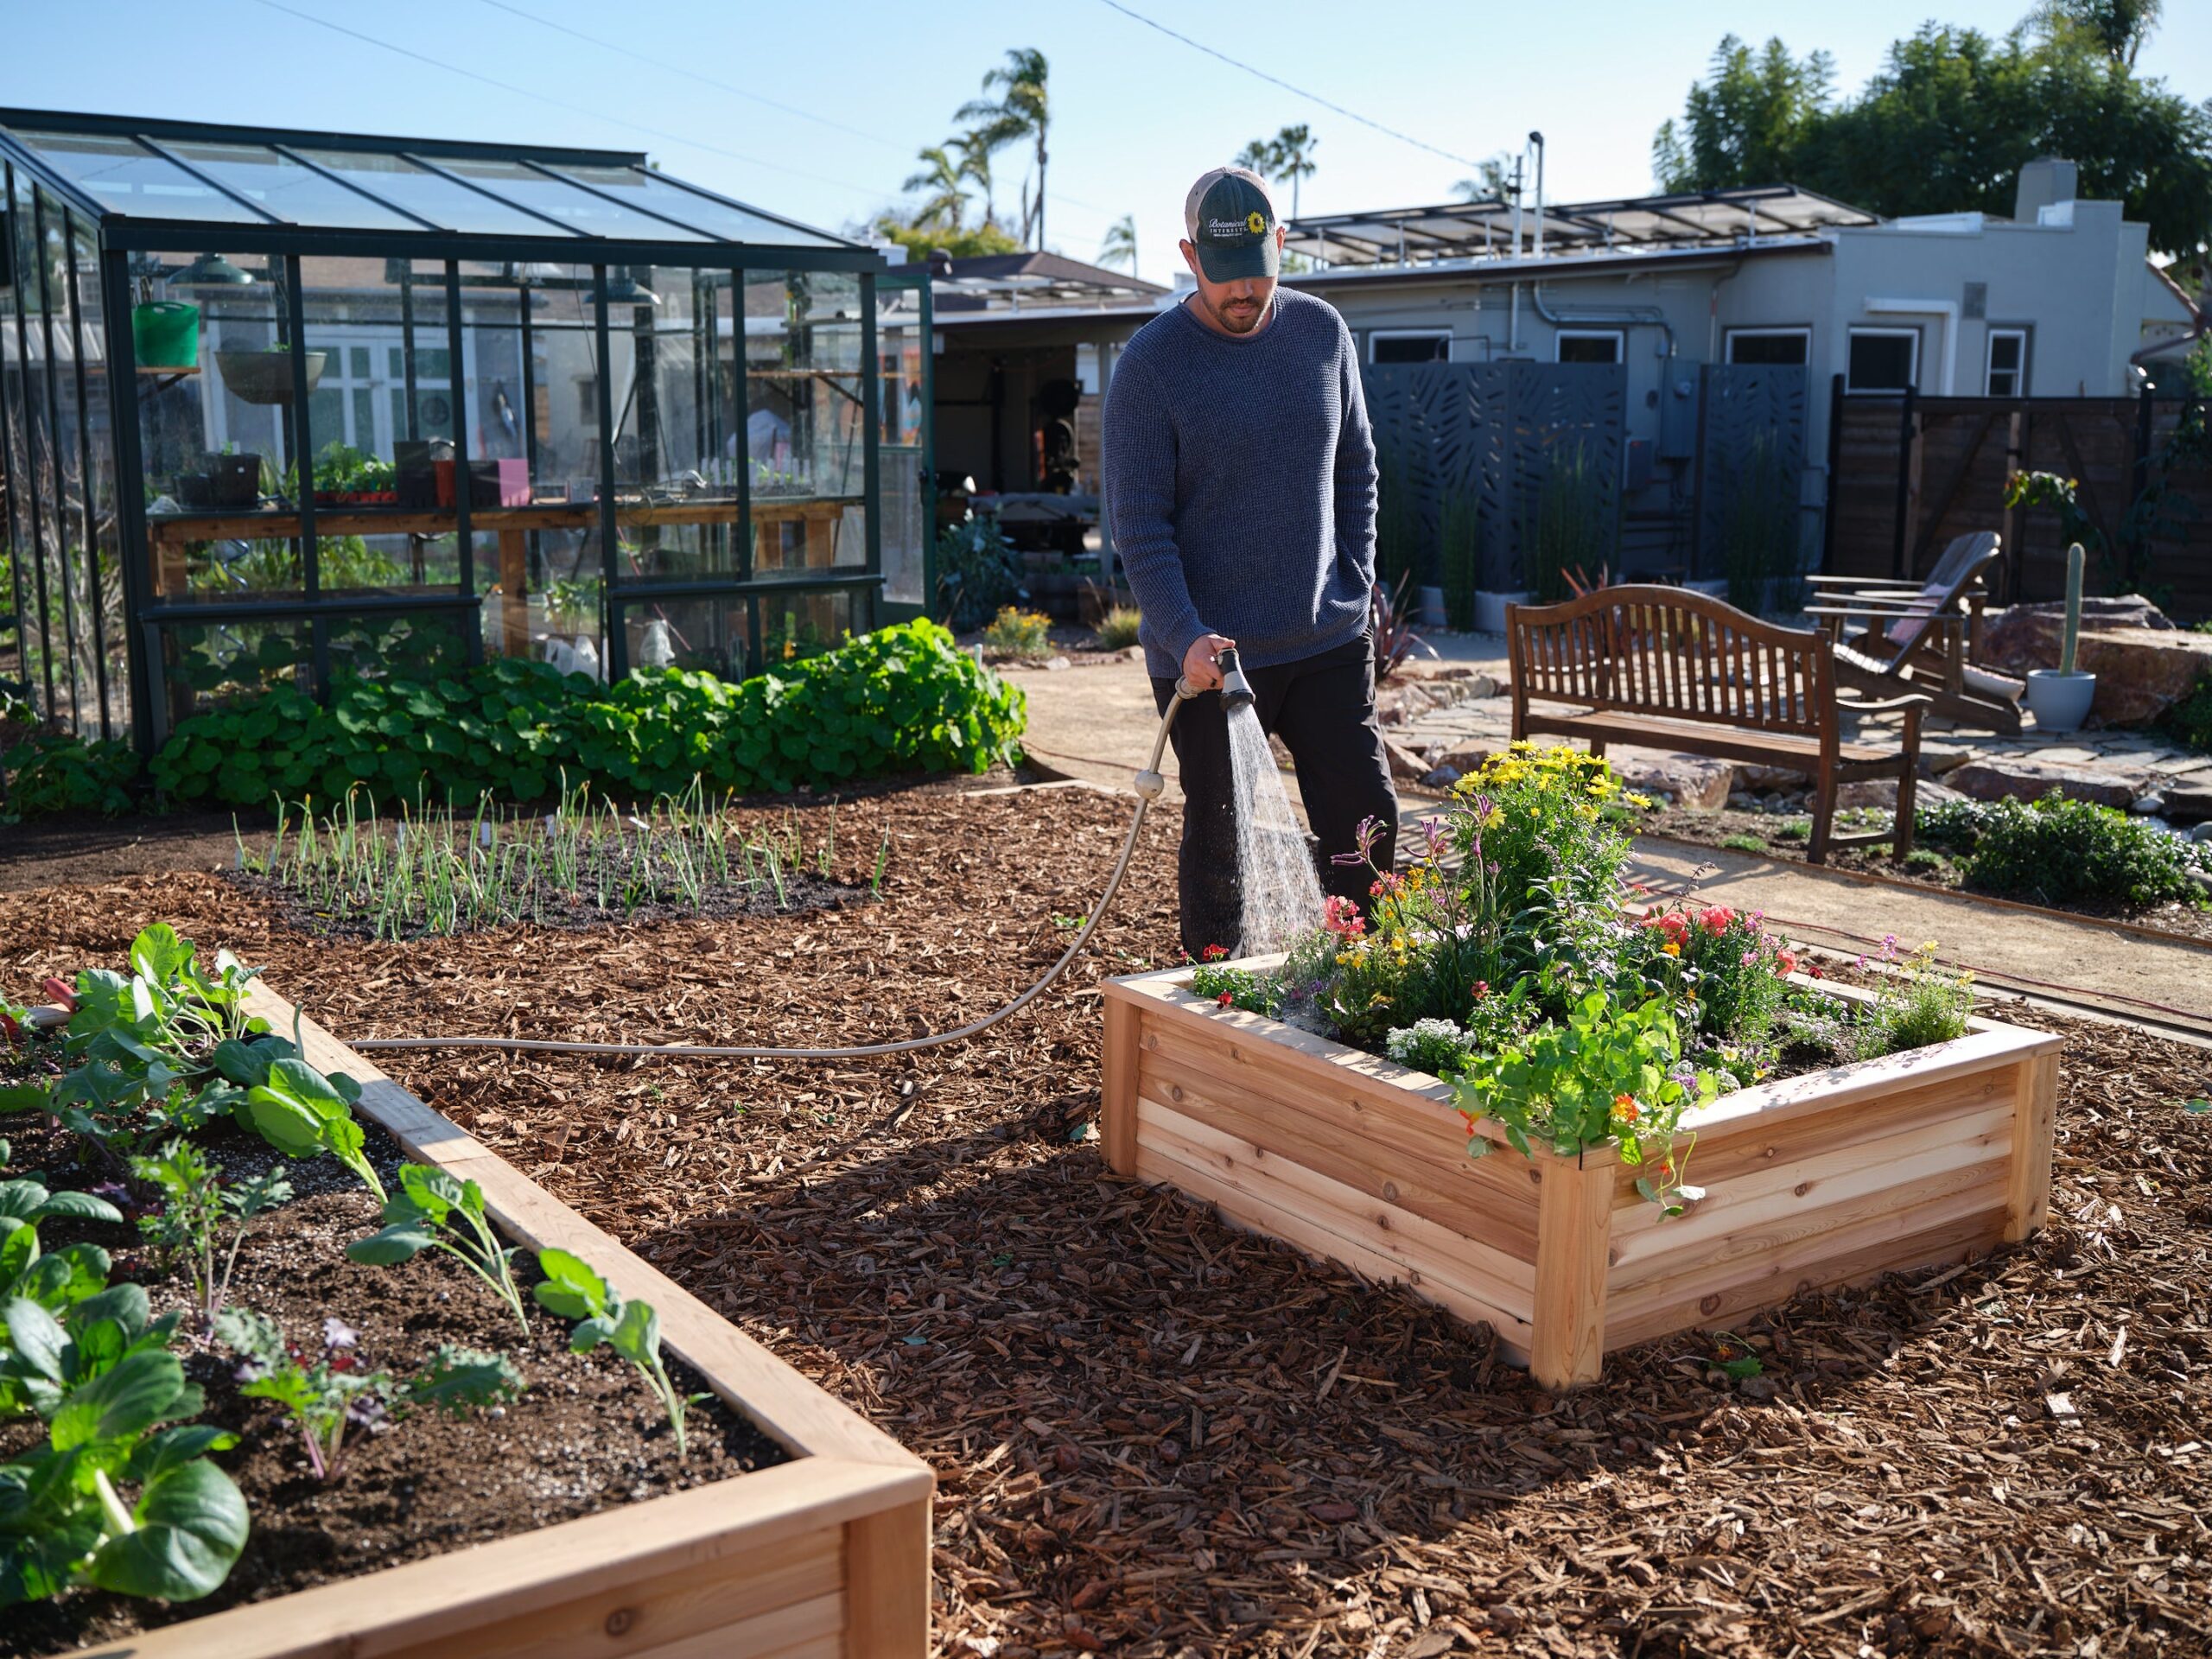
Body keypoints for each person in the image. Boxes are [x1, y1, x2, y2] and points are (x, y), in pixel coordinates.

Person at [1103, 165, 1396, 960]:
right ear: (1189, 256)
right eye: (1225, 279)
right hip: (1212, 660)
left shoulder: (1322, 333)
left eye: (1259, 278)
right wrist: (1182, 633)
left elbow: (1357, 472)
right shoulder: (1151, 367)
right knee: (1222, 845)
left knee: (1364, 821)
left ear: (1283, 246)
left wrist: (1355, 583)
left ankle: (1363, 982)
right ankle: (1217, 1000)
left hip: (1326, 638)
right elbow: (1140, 526)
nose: (1245, 296)